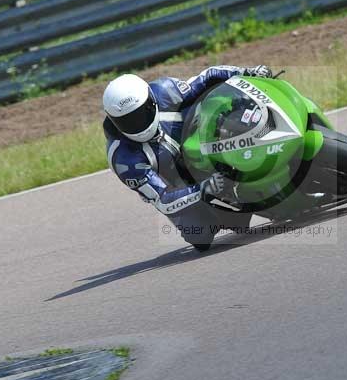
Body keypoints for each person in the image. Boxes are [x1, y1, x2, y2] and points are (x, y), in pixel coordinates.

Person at [103, 65, 272, 247]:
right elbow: (163, 200)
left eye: (141, 114)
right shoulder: (124, 159)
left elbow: (208, 76)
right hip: (178, 185)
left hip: (203, 143)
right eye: (127, 121)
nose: (138, 124)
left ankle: (264, 137)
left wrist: (246, 72)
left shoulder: (165, 91)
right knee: (200, 234)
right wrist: (202, 189)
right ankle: (229, 209)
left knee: (218, 98)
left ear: (151, 101)